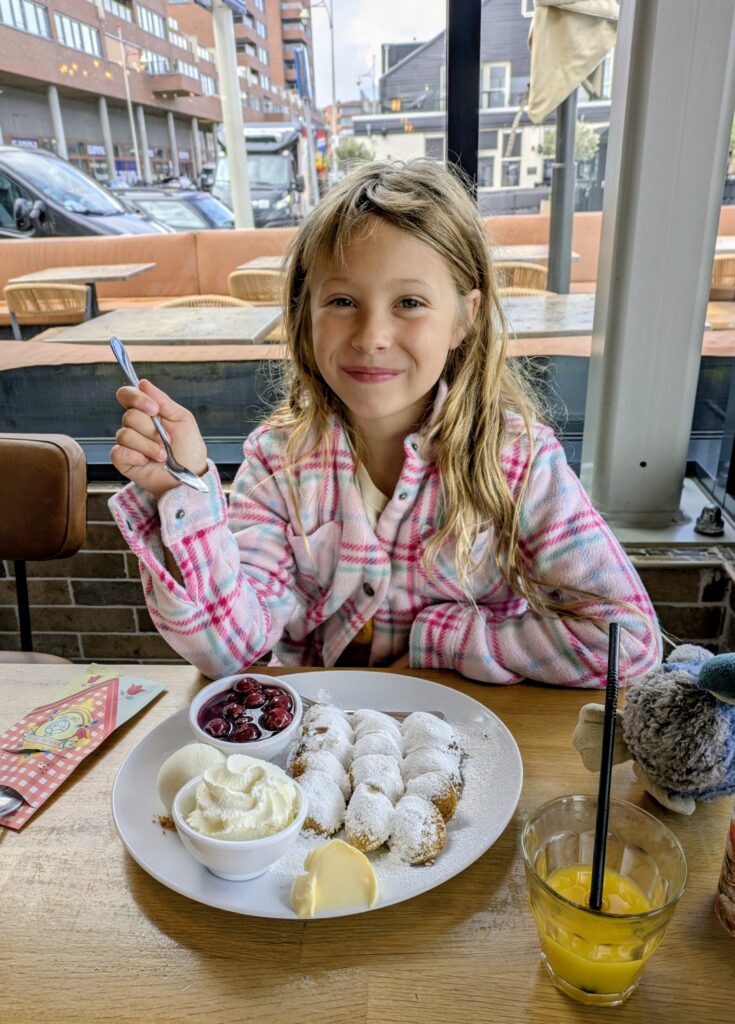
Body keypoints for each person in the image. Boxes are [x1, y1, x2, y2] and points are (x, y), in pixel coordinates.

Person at [109, 159, 661, 686]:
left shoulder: (520, 461)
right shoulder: (277, 461)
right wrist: (182, 489)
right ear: (305, 313)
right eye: (343, 301)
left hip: (468, 731)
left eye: (410, 302)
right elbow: (228, 650)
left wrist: (443, 642)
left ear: (464, 319)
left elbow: (628, 644)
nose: (372, 336)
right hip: (323, 732)